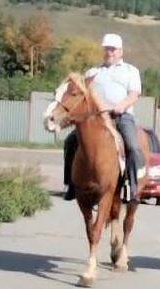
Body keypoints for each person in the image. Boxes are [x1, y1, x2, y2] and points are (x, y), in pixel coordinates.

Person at [63, 33, 146, 203]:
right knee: (70, 142)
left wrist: (121, 106)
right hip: (96, 118)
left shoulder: (131, 71)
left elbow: (134, 94)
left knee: (133, 146)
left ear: (120, 51)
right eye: (107, 49)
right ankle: (71, 184)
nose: (109, 52)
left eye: (113, 49)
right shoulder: (93, 72)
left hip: (122, 116)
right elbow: (84, 95)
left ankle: (131, 187)